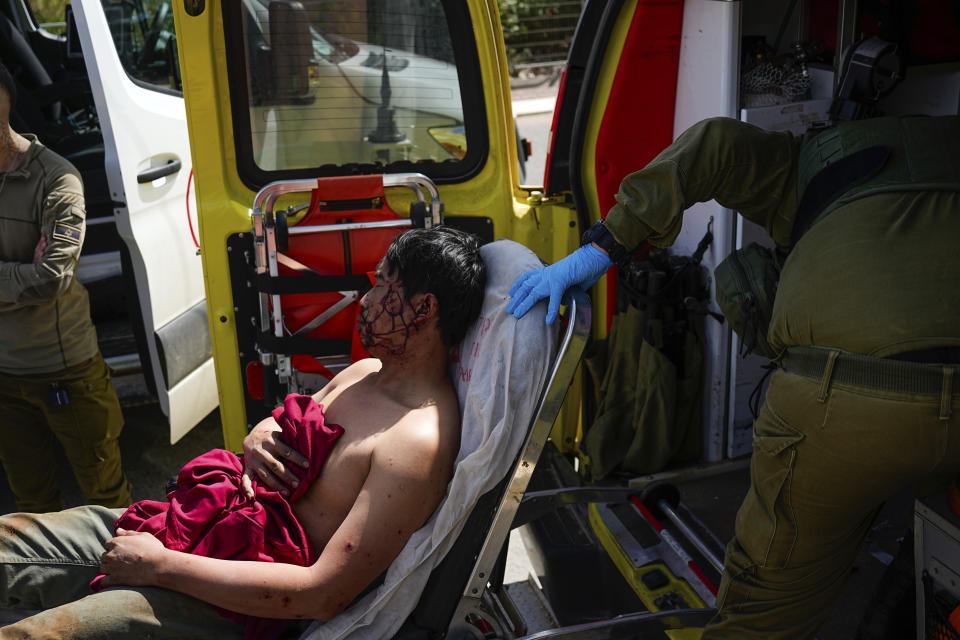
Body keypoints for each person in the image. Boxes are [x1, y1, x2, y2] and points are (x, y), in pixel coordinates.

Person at [507, 115, 960, 639]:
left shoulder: (817, 159)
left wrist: (601, 247)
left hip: (843, 395)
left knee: (764, 612)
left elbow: (714, 145)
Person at [0, 226, 487, 638]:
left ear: (421, 310)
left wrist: (159, 567)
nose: (366, 297)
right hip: (197, 523)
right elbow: (292, 425)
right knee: (9, 543)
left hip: (232, 599)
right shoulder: (365, 372)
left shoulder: (416, 444)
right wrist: (262, 431)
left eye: (382, 285)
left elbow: (323, 594)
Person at [0, 62, 131, 513]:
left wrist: (28, 280)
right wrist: (21, 275)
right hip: (4, 375)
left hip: (65, 370)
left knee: (106, 500)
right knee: (30, 504)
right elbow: (33, 280)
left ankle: (128, 581)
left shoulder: (58, 179)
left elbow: (50, 281)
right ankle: (46, 584)